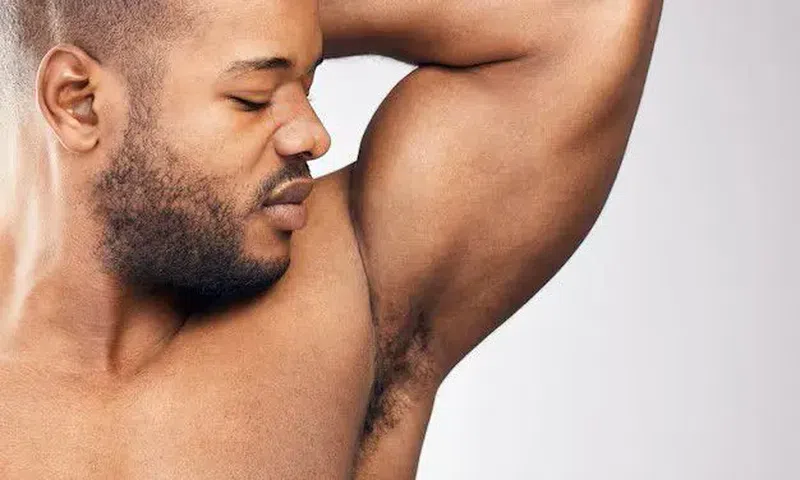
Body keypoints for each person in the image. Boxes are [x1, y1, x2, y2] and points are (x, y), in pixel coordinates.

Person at [0, 0, 663, 478]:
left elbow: (593, 14)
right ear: (78, 101)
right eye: (253, 97)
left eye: (307, 85)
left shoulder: (354, 278)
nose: (312, 136)